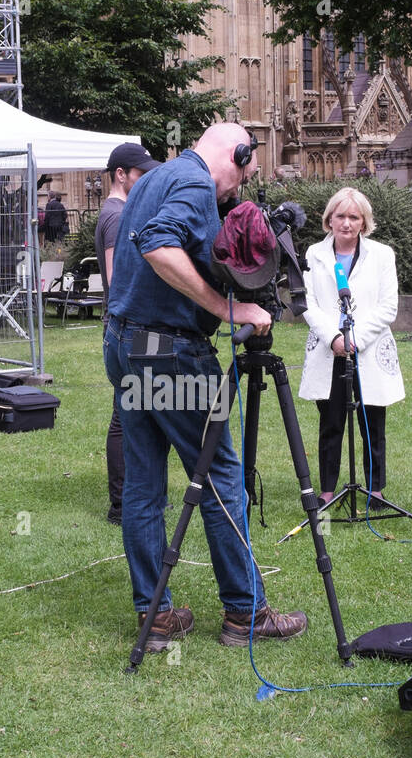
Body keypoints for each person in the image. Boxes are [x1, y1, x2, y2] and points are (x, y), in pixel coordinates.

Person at [104, 122, 307, 650]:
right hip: (171, 356)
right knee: (219, 477)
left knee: (144, 486)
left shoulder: (153, 179)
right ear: (235, 156)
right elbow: (157, 243)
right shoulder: (195, 185)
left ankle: (157, 618)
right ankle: (247, 613)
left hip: (125, 347)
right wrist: (228, 307)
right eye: (243, 178)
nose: (236, 194)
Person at [298, 187, 404, 508]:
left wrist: (356, 339)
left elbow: (388, 307)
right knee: (330, 421)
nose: (346, 223)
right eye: (340, 216)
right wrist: (335, 338)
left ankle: (375, 489)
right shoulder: (313, 255)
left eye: (353, 217)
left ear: (364, 223)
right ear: (329, 219)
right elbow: (308, 303)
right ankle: (327, 490)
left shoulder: (382, 254)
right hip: (329, 348)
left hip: (368, 348)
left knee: (373, 420)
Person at [96, 142, 160, 525]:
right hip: (127, 325)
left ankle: (139, 495)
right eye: (141, 174)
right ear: (121, 174)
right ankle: (121, 505)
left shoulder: (118, 211)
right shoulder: (118, 216)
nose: (146, 180)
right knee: (126, 412)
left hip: (127, 325)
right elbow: (117, 276)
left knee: (138, 409)